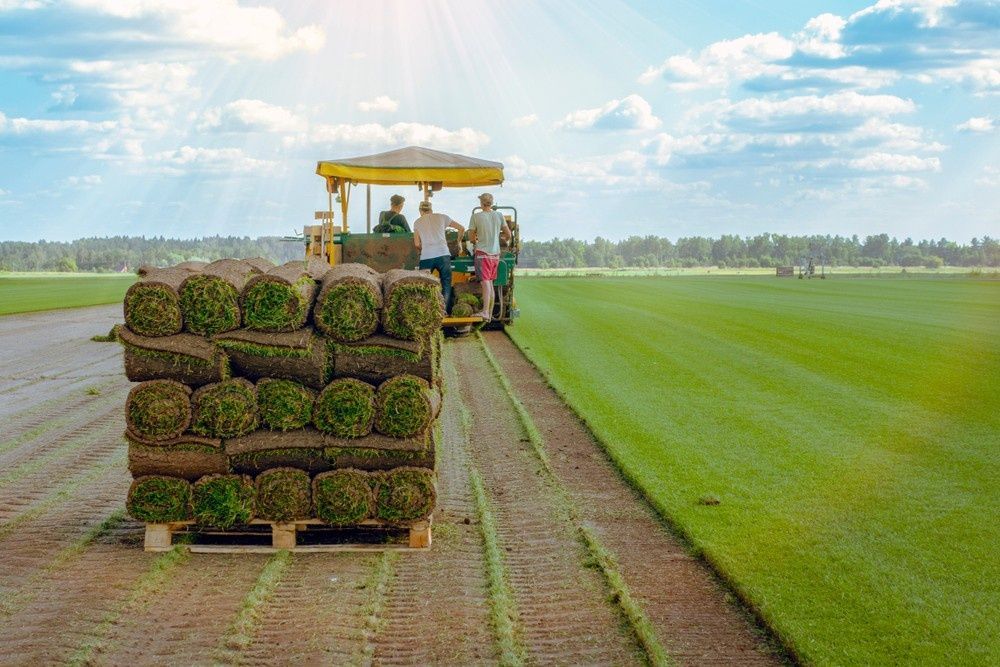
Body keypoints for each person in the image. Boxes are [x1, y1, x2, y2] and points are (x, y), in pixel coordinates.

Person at [413, 200, 464, 312]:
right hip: (443, 255)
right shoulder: (442, 217)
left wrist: (425, 247)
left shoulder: (417, 222)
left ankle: (425, 312)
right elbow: (461, 228)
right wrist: (459, 242)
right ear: (431, 209)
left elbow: (417, 244)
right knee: (446, 283)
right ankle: (444, 312)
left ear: (420, 210)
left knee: (424, 285)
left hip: (426, 257)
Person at [467, 193, 510, 321]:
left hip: (482, 253)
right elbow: (508, 235)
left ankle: (485, 312)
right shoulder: (499, 215)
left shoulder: (476, 216)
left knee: (485, 283)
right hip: (495, 254)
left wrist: (475, 241)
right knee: (490, 283)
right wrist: (501, 240)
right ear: (491, 203)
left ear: (481, 203)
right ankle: (489, 313)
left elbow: (470, 237)